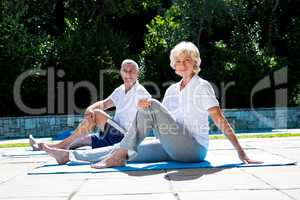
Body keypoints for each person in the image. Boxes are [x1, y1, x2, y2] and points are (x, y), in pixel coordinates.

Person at [42, 41, 262, 167]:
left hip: (193, 148)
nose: (183, 65)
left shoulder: (201, 86)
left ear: (195, 63)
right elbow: (162, 121)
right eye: (178, 61)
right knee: (121, 149)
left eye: (187, 60)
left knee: (150, 105)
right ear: (174, 65)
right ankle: (68, 155)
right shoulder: (172, 90)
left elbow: (219, 119)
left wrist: (241, 153)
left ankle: (118, 157)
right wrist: (136, 139)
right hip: (172, 145)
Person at [29, 59, 151, 151]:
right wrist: (90, 109)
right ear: (121, 72)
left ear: (137, 74)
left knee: (96, 114)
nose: (128, 74)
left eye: (131, 71)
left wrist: (146, 105)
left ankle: (57, 146)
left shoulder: (140, 91)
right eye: (125, 71)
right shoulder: (120, 90)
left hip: (124, 137)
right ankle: (45, 147)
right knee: (80, 140)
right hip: (112, 135)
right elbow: (104, 103)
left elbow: (151, 106)